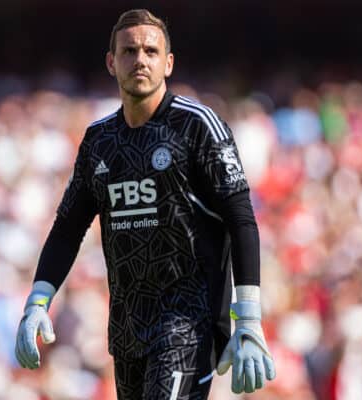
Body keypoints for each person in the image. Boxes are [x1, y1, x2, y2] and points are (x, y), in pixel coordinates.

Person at [15, 9, 276, 399]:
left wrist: (249, 317)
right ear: (111, 62)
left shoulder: (198, 126)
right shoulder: (98, 140)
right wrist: (37, 302)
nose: (140, 59)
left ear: (168, 63)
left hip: (189, 320)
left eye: (151, 51)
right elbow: (68, 227)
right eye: (130, 51)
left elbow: (241, 220)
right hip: (127, 328)